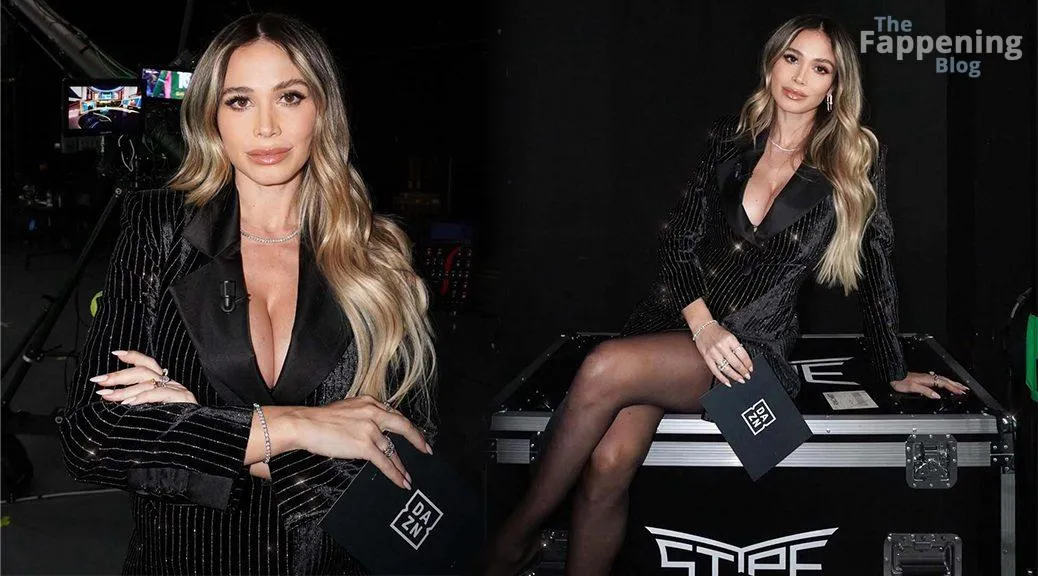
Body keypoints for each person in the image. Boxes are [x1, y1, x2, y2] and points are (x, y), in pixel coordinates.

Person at [482, 14, 969, 576]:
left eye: (820, 68)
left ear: (835, 86)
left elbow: (877, 265)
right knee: (609, 464)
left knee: (604, 365)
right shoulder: (728, 140)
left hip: (750, 349)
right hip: (676, 323)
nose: (799, 78)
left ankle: (515, 538)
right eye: (792, 58)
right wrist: (702, 325)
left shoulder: (854, 160)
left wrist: (892, 369)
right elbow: (676, 243)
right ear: (772, 63)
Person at [58, 13, 437, 575]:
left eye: (289, 97)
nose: (265, 127)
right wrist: (291, 425)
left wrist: (198, 425)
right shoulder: (159, 230)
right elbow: (94, 436)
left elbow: (407, 463)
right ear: (212, 117)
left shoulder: (378, 258)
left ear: (323, 109)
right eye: (239, 101)